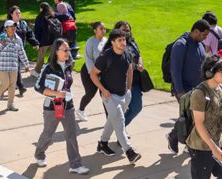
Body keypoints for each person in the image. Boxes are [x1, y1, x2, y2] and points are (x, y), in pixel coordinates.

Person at [33, 38, 89, 175]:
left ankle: (75, 164)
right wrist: (56, 93)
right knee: (48, 134)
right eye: (65, 50)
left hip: (68, 106)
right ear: (56, 51)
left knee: (71, 135)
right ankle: (39, 154)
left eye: (69, 50)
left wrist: (66, 94)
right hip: (51, 107)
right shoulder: (48, 68)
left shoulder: (69, 65)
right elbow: (38, 86)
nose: (68, 52)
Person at [90, 29, 141, 164]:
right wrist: (103, 90)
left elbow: (130, 70)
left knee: (113, 120)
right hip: (109, 96)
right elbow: (93, 74)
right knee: (119, 122)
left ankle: (103, 143)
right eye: (120, 40)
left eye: (124, 39)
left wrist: (129, 88)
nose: (123, 42)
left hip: (125, 94)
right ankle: (129, 151)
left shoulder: (127, 54)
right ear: (112, 42)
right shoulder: (105, 57)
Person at [186, 55, 222, 179]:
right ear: (209, 72)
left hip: (218, 142)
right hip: (201, 146)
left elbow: (220, 115)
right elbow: (199, 123)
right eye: (221, 71)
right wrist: (214, 149)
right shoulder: (199, 94)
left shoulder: (220, 88)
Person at [166, 19, 210, 154]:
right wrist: (179, 91)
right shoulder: (181, 45)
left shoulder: (200, 44)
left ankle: (175, 137)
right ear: (196, 31)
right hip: (184, 89)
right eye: (203, 35)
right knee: (193, 117)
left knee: (194, 118)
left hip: (198, 89)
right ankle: (184, 141)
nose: (205, 38)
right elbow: (175, 70)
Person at [0, 5, 39, 96]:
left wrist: (34, 43)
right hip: (8, 52)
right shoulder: (6, 25)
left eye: (19, 13)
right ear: (11, 14)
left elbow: (29, 34)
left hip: (20, 50)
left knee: (16, 69)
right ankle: (19, 86)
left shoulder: (23, 24)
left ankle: (12, 86)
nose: (18, 15)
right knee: (15, 69)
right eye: (16, 13)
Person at [0, 20, 30, 111]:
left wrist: (26, 64)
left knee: (12, 85)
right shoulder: (0, 38)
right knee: (5, 83)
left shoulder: (18, 39)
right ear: (6, 28)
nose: (13, 28)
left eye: (14, 26)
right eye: (11, 26)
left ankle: (10, 104)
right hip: (2, 66)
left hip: (13, 66)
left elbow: (21, 52)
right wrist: (1, 44)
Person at [113, 21, 145, 127]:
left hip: (134, 80)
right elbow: (122, 61)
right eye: (124, 30)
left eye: (128, 30)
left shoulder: (132, 41)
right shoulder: (115, 43)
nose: (127, 32)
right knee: (120, 109)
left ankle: (120, 128)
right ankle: (120, 132)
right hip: (121, 81)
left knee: (137, 106)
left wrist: (140, 62)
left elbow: (138, 54)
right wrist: (136, 66)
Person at [75, 21, 107, 121]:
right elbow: (88, 59)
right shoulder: (90, 42)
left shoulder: (106, 41)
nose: (103, 31)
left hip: (102, 72)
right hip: (89, 71)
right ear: (95, 31)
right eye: (101, 29)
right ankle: (80, 110)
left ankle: (109, 117)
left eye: (104, 28)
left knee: (105, 94)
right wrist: (94, 74)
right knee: (90, 93)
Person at [32, 2, 60, 78]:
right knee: (52, 57)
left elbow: (37, 31)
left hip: (43, 41)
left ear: (41, 8)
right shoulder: (52, 15)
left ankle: (37, 71)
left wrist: (36, 42)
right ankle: (51, 71)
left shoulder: (39, 17)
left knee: (41, 58)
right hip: (53, 40)